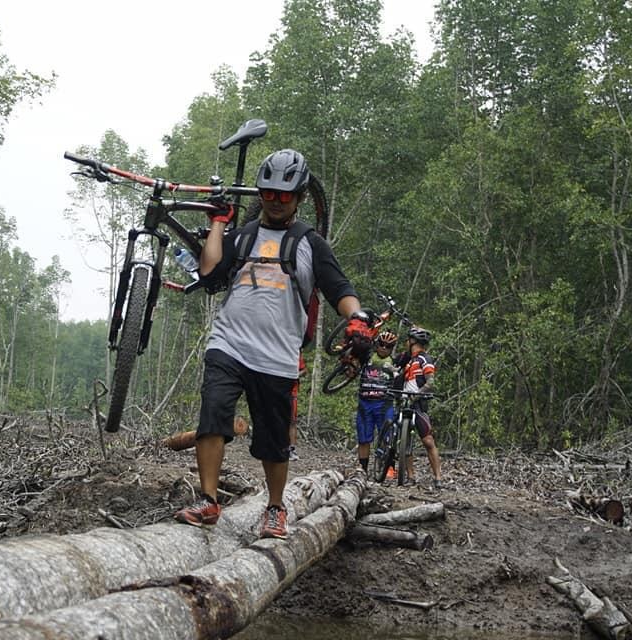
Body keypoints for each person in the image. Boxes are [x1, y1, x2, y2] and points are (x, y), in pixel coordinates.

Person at [173, 149, 370, 540]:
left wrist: (358, 319)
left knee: (273, 441)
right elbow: (210, 273)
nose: (276, 202)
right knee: (213, 414)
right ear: (260, 193)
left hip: (277, 356)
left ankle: (276, 507)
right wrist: (218, 224)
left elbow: (340, 290)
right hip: (228, 343)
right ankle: (208, 500)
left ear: (299, 197)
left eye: (285, 195)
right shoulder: (243, 236)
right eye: (268, 194)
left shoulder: (311, 244)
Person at [393, 326, 442, 490]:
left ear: (413, 341)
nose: (406, 343)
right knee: (405, 441)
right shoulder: (408, 360)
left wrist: (417, 395)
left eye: (408, 340)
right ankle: (410, 476)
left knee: (428, 440)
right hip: (404, 402)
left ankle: (438, 478)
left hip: (418, 403)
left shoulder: (424, 359)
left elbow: (430, 382)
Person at [355, 329, 399, 474]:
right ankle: (363, 470)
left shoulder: (395, 361)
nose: (384, 348)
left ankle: (389, 468)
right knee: (363, 438)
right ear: (377, 344)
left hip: (384, 404)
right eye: (381, 344)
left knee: (387, 437)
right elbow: (358, 345)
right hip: (365, 402)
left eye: (388, 346)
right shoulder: (367, 356)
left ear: (392, 348)